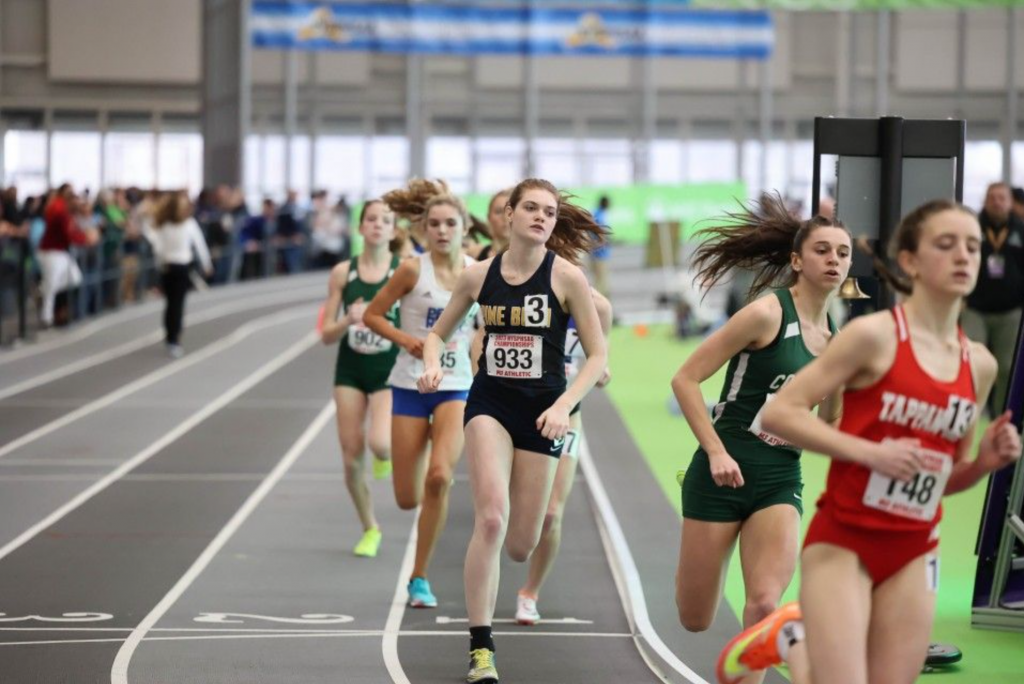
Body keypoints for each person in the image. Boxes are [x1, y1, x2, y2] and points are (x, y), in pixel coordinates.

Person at [716, 200, 1022, 684]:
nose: (964, 256)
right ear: (910, 261)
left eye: (973, 246)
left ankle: (791, 638)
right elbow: (780, 413)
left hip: (917, 550)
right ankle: (794, 635)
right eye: (946, 244)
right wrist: (871, 452)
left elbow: (942, 478)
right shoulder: (872, 337)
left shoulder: (979, 364)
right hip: (845, 541)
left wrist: (983, 463)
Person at [417, 178, 608, 684]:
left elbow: (598, 356)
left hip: (545, 411)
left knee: (523, 541)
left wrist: (567, 404)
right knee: (492, 520)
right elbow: (436, 333)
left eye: (550, 211)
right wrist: (433, 362)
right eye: (532, 208)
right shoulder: (478, 277)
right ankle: (481, 647)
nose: (542, 217)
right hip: (491, 404)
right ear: (508, 217)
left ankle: (515, 587)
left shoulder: (567, 279)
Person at [670, 193, 850, 684]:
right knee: (695, 616)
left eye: (842, 252)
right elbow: (685, 379)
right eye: (822, 250)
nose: (834, 259)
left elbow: (828, 426)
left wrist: (846, 382)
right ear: (796, 260)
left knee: (765, 603)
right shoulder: (766, 313)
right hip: (721, 471)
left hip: (778, 477)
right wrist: (715, 451)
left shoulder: (836, 341)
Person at [364, 186, 478, 608]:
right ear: (423, 229)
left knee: (439, 478)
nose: (442, 230)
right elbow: (373, 314)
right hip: (410, 385)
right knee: (407, 498)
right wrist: (406, 341)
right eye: (434, 224)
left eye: (451, 223)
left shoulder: (477, 272)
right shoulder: (412, 270)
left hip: (456, 386)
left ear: (465, 229)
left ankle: (419, 577)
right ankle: (403, 452)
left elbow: (489, 323)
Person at [513, 287, 613, 625]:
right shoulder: (521, 293)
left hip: (566, 413)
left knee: (551, 513)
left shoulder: (598, 307)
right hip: (514, 408)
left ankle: (530, 592)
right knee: (510, 511)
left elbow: (600, 363)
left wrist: (601, 373)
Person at [319, 200, 400, 558]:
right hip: (350, 369)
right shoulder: (342, 273)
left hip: (387, 369)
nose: (378, 225)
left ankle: (386, 454)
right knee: (351, 457)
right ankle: (370, 527)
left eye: (386, 220)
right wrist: (349, 320)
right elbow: (325, 334)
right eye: (371, 219)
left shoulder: (402, 272)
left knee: (380, 444)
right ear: (360, 227)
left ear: (394, 230)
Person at [961, 182, 1024, 414]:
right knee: (969, 361)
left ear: (1010, 202)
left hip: (1011, 311)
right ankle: (967, 415)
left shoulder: (1020, 229)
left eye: (1002, 197)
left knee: (1008, 367)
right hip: (975, 308)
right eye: (992, 197)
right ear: (985, 200)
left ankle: (1001, 417)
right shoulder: (973, 228)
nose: (997, 201)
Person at [143, 191, 213, 358]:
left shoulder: (164, 225)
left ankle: (171, 336)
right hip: (179, 268)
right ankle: (173, 338)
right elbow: (200, 245)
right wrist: (206, 263)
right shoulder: (187, 224)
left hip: (169, 267)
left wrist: (159, 264)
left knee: (171, 303)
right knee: (177, 303)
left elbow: (157, 248)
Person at [589, 195, 611, 298]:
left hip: (595, 251)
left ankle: (600, 298)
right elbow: (601, 233)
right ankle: (600, 300)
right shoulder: (600, 216)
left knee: (599, 278)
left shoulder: (595, 213)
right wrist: (604, 242)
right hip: (600, 253)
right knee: (600, 279)